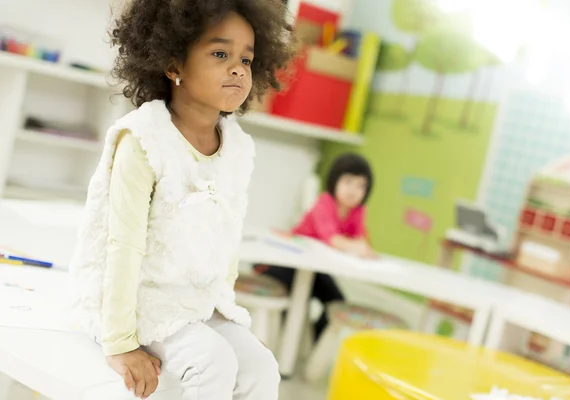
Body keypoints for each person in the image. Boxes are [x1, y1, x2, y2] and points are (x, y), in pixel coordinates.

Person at [69, 1, 295, 399]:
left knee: (261, 367)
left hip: (195, 303)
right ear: (174, 65)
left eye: (247, 58)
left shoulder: (238, 148)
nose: (239, 68)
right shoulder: (143, 139)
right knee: (214, 364)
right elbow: (121, 246)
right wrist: (120, 342)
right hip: (136, 300)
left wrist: (229, 318)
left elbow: (226, 237)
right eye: (221, 54)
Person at [259, 153, 375, 339]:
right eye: (348, 182)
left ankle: (312, 339)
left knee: (337, 304)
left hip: (317, 271)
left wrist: (360, 246)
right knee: (290, 303)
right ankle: (286, 342)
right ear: (335, 181)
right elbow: (333, 239)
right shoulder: (325, 202)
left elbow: (361, 241)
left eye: (361, 186)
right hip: (291, 264)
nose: (353, 190)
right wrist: (357, 246)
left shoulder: (358, 211)